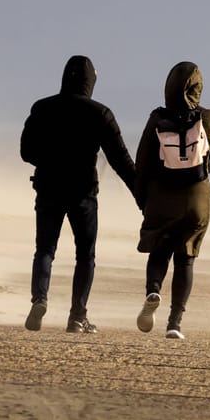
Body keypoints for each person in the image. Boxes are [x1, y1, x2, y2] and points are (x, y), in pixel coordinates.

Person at [19, 55, 138, 333]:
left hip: (48, 187)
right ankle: (77, 316)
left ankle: (40, 298)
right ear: (90, 82)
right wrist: (141, 195)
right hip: (83, 193)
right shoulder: (100, 113)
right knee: (85, 255)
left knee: (45, 249)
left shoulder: (42, 108)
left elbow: (26, 152)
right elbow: (121, 160)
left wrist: (50, 161)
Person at [135, 60, 210, 340]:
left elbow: (143, 161)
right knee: (186, 258)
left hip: (162, 195)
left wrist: (143, 198)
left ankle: (153, 291)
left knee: (160, 248)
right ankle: (175, 323)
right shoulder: (208, 117)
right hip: (196, 197)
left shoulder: (157, 118)